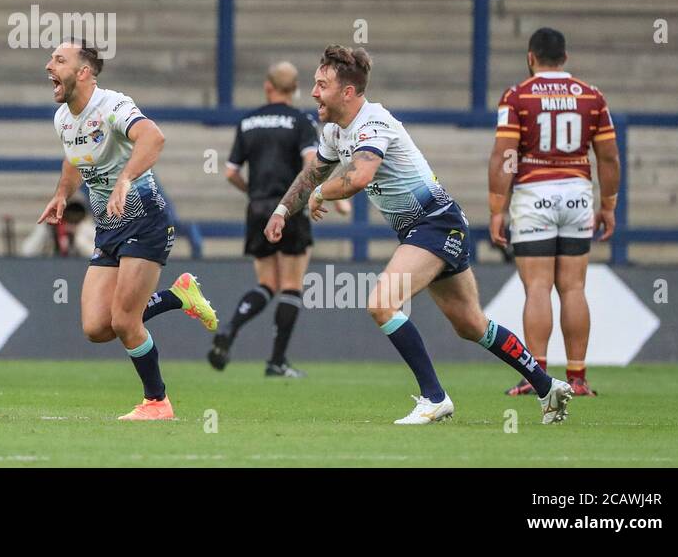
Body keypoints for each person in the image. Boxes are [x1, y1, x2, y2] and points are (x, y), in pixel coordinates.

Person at [265, 45, 575, 425]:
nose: (314, 92)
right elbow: (313, 172)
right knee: (470, 324)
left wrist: (321, 193)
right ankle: (548, 386)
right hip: (430, 226)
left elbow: (358, 178)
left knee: (382, 303)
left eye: (322, 85)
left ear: (348, 92)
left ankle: (434, 397)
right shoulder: (333, 131)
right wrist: (282, 209)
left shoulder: (373, 122)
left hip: (435, 223)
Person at [38, 39, 217, 422]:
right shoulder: (63, 119)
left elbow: (154, 137)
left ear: (83, 72)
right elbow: (74, 156)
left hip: (145, 218)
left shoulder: (112, 105)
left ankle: (157, 403)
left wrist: (125, 179)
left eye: (59, 60)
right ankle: (177, 297)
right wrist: (61, 193)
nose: (48, 66)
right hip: (109, 227)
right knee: (96, 327)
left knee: (123, 322)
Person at [489, 27, 620, 398]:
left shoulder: (517, 96)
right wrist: (608, 204)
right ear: (565, 58)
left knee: (537, 287)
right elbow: (609, 157)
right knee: (575, 287)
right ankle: (577, 378)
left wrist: (497, 208)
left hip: (534, 194)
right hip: (578, 194)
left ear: (531, 57)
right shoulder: (591, 96)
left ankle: (536, 375)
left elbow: (504, 156)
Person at [214, 61, 347, 377]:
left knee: (265, 284)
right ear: (296, 88)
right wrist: (325, 195)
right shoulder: (300, 121)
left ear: (267, 86)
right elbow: (310, 163)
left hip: (258, 207)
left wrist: (253, 193)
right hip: (290, 208)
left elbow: (231, 172)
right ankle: (276, 361)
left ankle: (231, 328)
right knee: (290, 285)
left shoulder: (248, 122)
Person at [20, 199, 96, 257]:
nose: (71, 218)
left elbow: (98, 255)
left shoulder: (85, 227)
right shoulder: (49, 229)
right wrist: (45, 229)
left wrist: (79, 237)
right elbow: (27, 252)